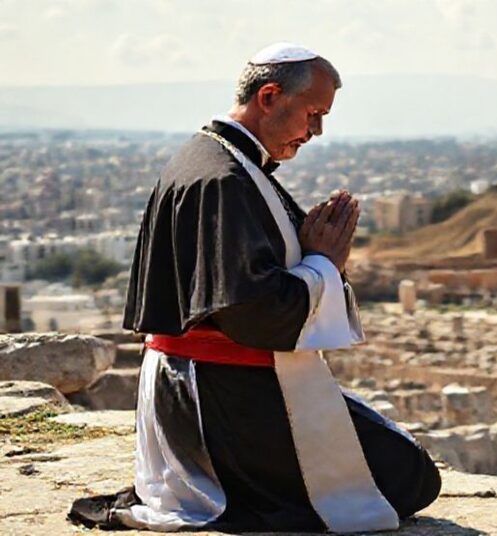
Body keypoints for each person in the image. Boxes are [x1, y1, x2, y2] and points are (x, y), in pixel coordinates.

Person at [68, 43, 441, 533]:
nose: (316, 131)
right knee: (405, 477)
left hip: (217, 382)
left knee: (396, 452)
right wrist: (323, 265)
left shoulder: (226, 162)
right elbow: (254, 312)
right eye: (313, 114)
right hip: (217, 395)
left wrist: (312, 259)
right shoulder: (222, 179)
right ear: (269, 96)